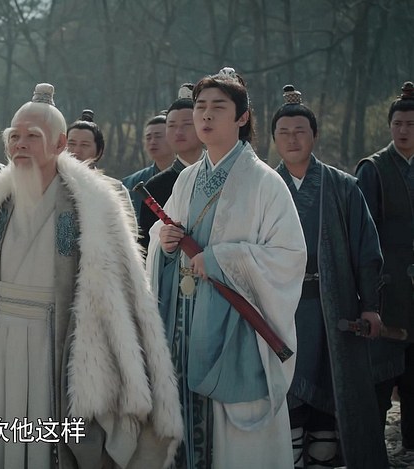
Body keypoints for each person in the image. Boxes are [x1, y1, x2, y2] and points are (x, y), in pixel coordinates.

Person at [0, 83, 182, 469]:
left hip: (57, 342)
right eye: (14, 137)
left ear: (59, 143)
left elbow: (115, 292)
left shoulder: (93, 206)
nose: (20, 145)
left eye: (32, 136)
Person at [146, 68, 306, 468]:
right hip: (186, 324)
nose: (205, 115)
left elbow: (289, 256)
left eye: (218, 107)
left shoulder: (265, 182)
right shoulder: (186, 179)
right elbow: (163, 235)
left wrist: (222, 259)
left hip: (236, 325)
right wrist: (165, 243)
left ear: (242, 117)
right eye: (200, 106)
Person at [272, 85, 387, 467]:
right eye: (284, 132)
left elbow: (366, 252)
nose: (292, 139)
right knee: (286, 402)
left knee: (331, 403)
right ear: (274, 139)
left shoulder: (343, 187)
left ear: (315, 135)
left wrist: (370, 305)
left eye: (300, 131)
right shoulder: (263, 188)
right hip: (280, 312)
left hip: (333, 308)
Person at [356, 80, 414, 448]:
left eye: (411, 124)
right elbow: (364, 238)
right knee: (380, 378)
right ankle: (372, 453)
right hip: (386, 289)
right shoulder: (373, 169)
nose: (404, 131)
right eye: (398, 124)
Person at [137, 84, 202, 251]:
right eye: (171, 125)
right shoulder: (154, 187)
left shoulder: (225, 174)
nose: (178, 132)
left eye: (187, 124)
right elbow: (145, 248)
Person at [123, 112, 174, 217]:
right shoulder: (131, 183)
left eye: (158, 136)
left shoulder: (189, 176)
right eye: (148, 137)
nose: (152, 142)